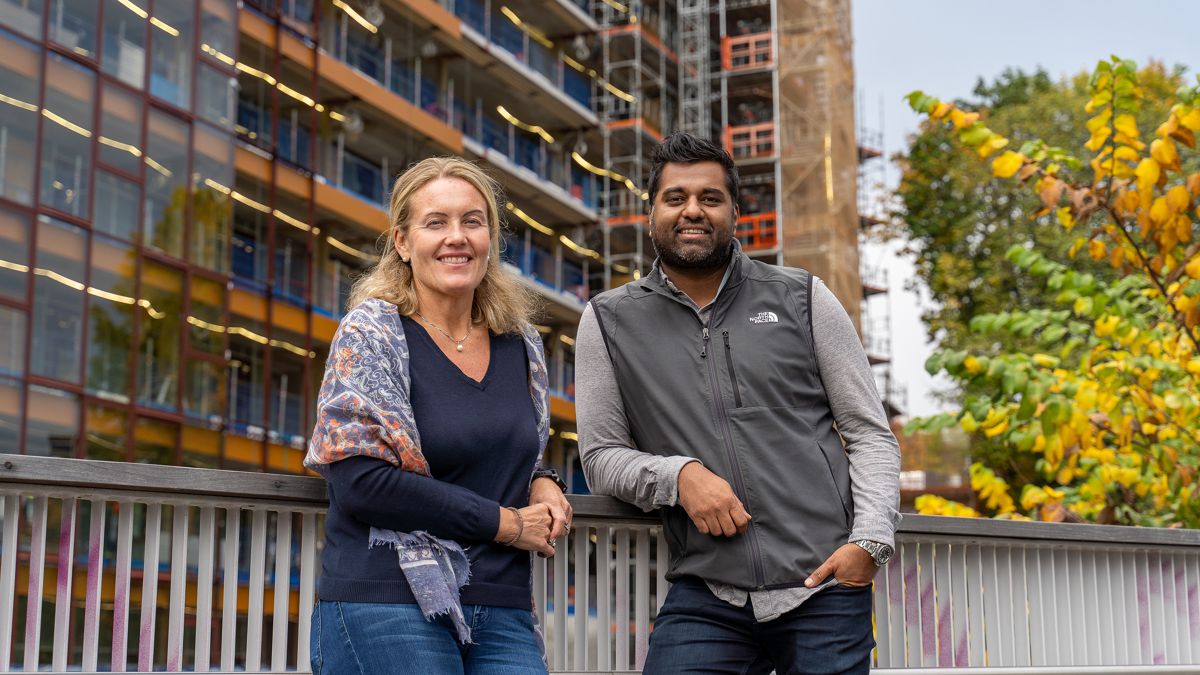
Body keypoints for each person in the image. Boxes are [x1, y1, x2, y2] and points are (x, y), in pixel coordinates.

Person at [576, 133, 901, 674]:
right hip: (708, 593)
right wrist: (678, 477)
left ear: (735, 211)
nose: (692, 211)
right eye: (675, 197)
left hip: (824, 584)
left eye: (710, 197)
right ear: (651, 211)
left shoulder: (803, 297)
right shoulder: (609, 320)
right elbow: (601, 455)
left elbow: (868, 433)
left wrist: (869, 544)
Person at [304, 156, 572, 675]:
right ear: (402, 242)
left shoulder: (521, 345)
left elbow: (503, 450)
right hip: (387, 598)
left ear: (490, 238)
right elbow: (360, 483)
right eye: (436, 222)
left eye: (473, 221)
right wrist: (505, 524)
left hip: (501, 603)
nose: (457, 237)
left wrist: (542, 479)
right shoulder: (372, 336)